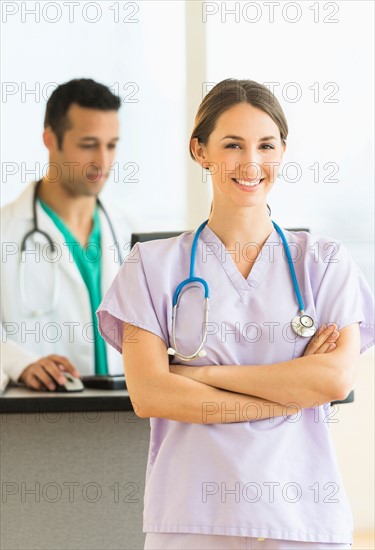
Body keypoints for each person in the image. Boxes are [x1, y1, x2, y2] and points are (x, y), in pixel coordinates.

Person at [97, 79, 374, 550]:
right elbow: (151, 394)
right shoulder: (151, 266)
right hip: (192, 518)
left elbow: (332, 382)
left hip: (302, 516)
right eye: (232, 145)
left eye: (266, 145)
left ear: (283, 151)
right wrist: (288, 395)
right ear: (200, 151)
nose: (250, 163)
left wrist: (198, 375)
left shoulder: (324, 262)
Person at [1, 78, 138, 391]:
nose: (102, 161)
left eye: (111, 145)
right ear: (50, 139)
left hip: (126, 420)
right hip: (43, 421)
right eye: (88, 145)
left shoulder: (129, 229)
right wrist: (18, 363)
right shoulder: (5, 231)